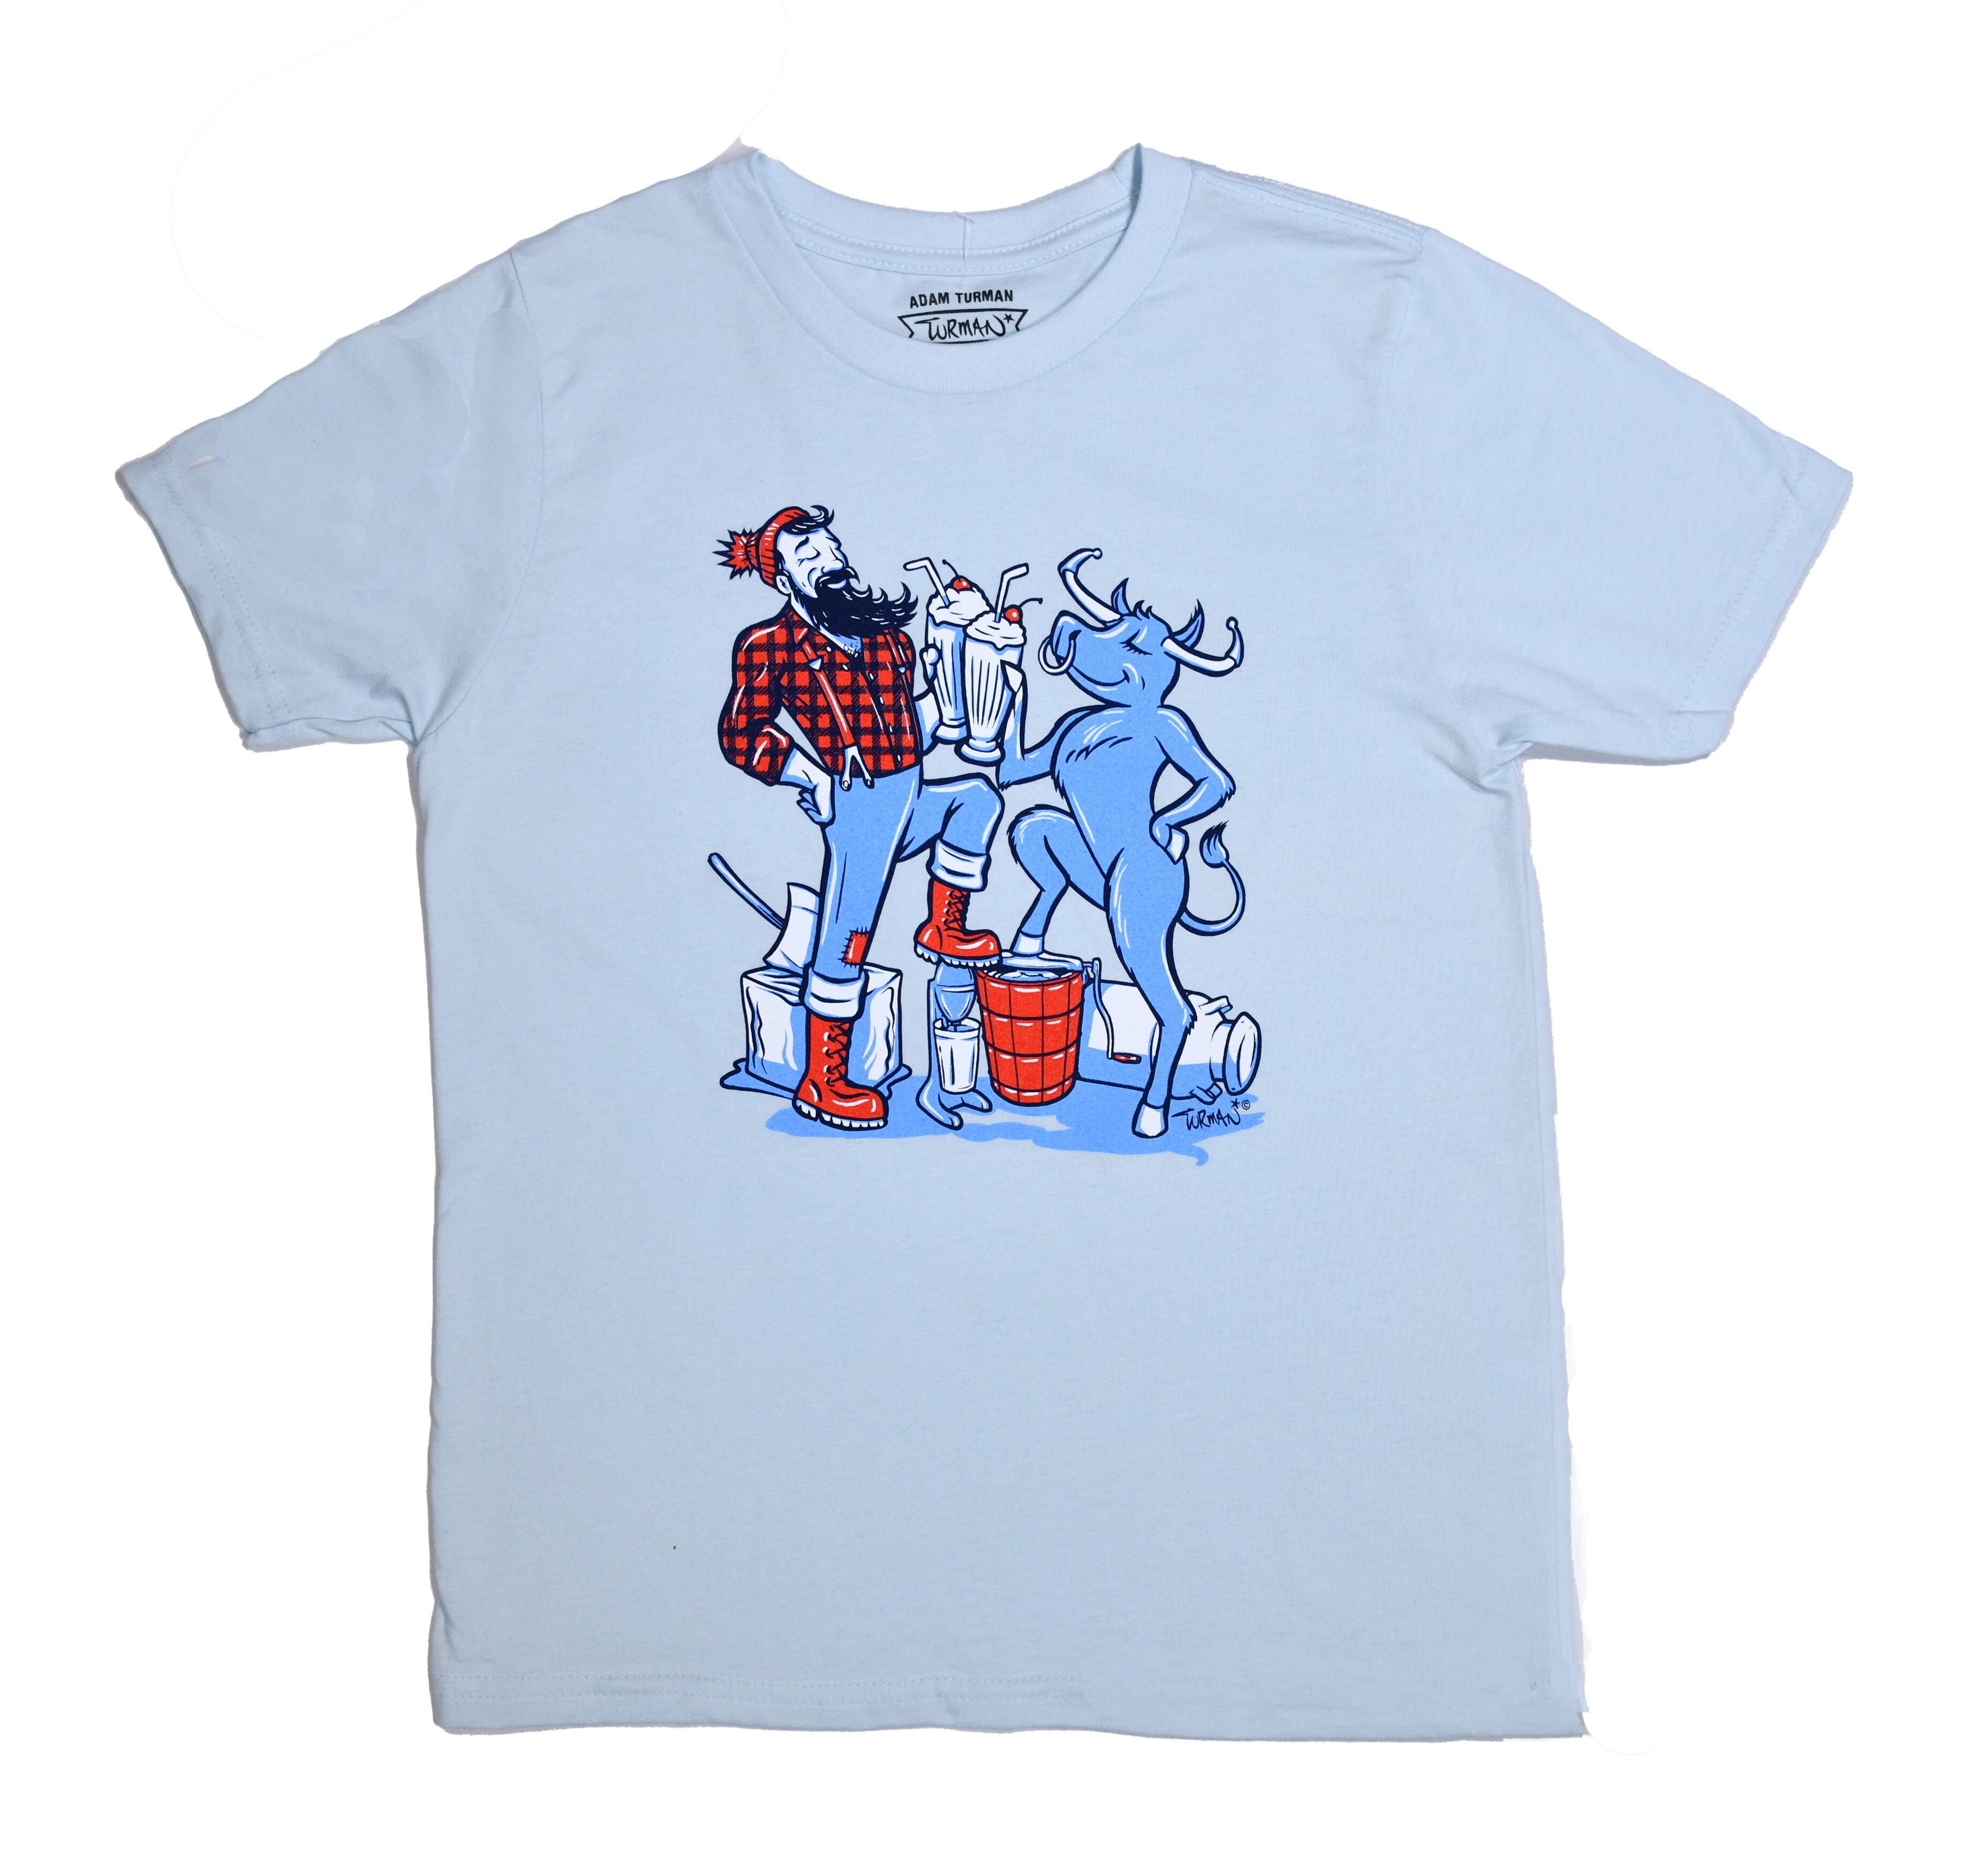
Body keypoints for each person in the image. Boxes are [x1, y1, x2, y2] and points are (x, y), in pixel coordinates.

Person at [716, 505, 1002, 1129]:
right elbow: (740, 735)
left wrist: (957, 701)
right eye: (809, 555)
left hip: (907, 789)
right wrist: (807, 775)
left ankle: (944, 926)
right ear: (782, 578)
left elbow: (910, 728)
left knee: (976, 798)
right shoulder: (771, 646)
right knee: (849, 935)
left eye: (832, 547)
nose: (831, 560)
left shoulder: (885, 638)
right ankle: (823, 1079)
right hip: (859, 802)